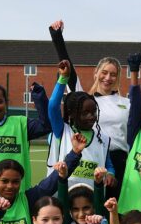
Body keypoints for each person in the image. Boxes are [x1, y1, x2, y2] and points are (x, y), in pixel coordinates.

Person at [48, 20, 138, 174]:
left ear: (118, 78)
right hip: (92, 158)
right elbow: (70, 74)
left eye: (113, 74)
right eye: (104, 72)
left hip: (120, 162)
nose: (108, 78)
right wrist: (57, 38)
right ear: (96, 73)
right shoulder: (86, 100)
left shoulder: (126, 103)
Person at [48, 60, 115, 196]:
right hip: (61, 198)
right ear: (72, 113)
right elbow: (53, 106)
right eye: (85, 113)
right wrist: (63, 78)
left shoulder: (102, 138)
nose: (91, 116)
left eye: (94, 112)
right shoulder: (62, 131)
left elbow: (108, 164)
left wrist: (110, 174)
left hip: (90, 201)